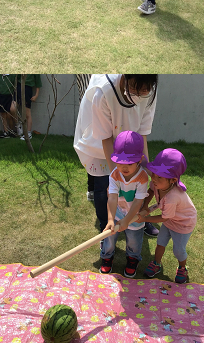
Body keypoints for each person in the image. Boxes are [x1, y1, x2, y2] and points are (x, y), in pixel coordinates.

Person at [72, 74, 158, 237]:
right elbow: (105, 138)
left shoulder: (150, 89)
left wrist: (146, 168)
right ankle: (106, 228)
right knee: (104, 186)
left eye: (144, 90)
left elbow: (142, 132)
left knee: (136, 186)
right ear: (125, 77)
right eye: (133, 88)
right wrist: (115, 174)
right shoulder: (103, 92)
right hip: (101, 142)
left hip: (130, 144)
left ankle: (139, 219)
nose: (138, 95)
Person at [138, 147, 196, 283]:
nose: (154, 179)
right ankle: (156, 264)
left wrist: (145, 219)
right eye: (154, 174)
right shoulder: (157, 184)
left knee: (178, 250)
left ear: (173, 180)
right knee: (160, 243)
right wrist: (145, 205)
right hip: (170, 219)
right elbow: (151, 190)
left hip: (183, 223)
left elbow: (164, 217)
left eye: (159, 177)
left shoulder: (172, 197)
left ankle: (182, 268)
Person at [99, 130, 151, 277]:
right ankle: (107, 256)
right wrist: (111, 219)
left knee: (134, 240)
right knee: (109, 236)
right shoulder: (115, 174)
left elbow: (138, 201)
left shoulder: (142, 177)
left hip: (134, 215)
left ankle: (132, 259)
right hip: (117, 212)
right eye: (120, 162)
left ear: (140, 160)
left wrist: (127, 220)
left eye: (129, 163)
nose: (124, 168)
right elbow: (112, 197)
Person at [16, 74, 41, 141]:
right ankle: (18, 126)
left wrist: (36, 95)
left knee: (27, 113)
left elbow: (38, 82)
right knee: (13, 108)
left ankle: (28, 133)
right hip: (19, 87)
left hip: (27, 88)